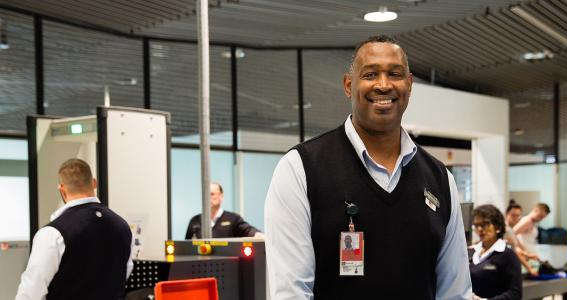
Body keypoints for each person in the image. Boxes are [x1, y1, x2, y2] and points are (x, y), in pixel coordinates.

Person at [264, 35, 471, 299]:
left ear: (409, 85)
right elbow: (291, 292)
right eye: (370, 74)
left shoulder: (440, 179)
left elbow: (455, 291)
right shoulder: (300, 169)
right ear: (349, 85)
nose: (383, 85)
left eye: (394, 74)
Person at [15, 158, 133, 300]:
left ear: (62, 189)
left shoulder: (53, 233)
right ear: (94, 183)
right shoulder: (123, 227)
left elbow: (31, 291)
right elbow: (123, 273)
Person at [469, 205, 522, 300]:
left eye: (485, 224)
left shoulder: (507, 255)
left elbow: (515, 293)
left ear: (497, 226)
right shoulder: (473, 252)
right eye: (476, 225)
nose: (480, 229)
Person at [185, 182, 262, 239]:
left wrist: (259, 235)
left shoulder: (233, 219)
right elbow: (187, 246)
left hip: (225, 260)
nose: (208, 197)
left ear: (221, 196)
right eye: (205, 194)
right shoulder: (195, 221)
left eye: (212, 194)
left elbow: (248, 230)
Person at [504, 200, 538, 276]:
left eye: (518, 215)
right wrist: (529, 268)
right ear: (506, 214)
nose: (515, 218)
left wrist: (527, 254)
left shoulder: (511, 230)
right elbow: (515, 251)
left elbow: (516, 247)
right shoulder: (506, 230)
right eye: (513, 215)